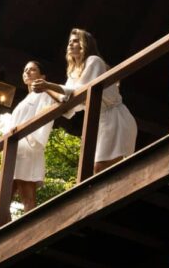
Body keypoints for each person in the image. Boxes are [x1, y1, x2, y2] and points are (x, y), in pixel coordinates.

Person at [32, 28, 137, 173]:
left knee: (100, 169)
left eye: (75, 41)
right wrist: (46, 89)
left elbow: (79, 92)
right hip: (100, 121)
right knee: (98, 170)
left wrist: (48, 85)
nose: (70, 44)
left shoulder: (94, 61)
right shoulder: (73, 73)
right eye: (70, 41)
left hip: (115, 119)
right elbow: (67, 101)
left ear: (85, 45)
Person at [0, 60, 58, 212]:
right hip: (13, 149)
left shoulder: (45, 94)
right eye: (25, 70)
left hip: (29, 146)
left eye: (32, 69)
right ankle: (5, 226)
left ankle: (31, 226)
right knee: (2, 198)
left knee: (27, 196)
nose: (27, 72)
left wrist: (26, 135)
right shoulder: (24, 100)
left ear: (42, 76)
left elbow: (46, 115)